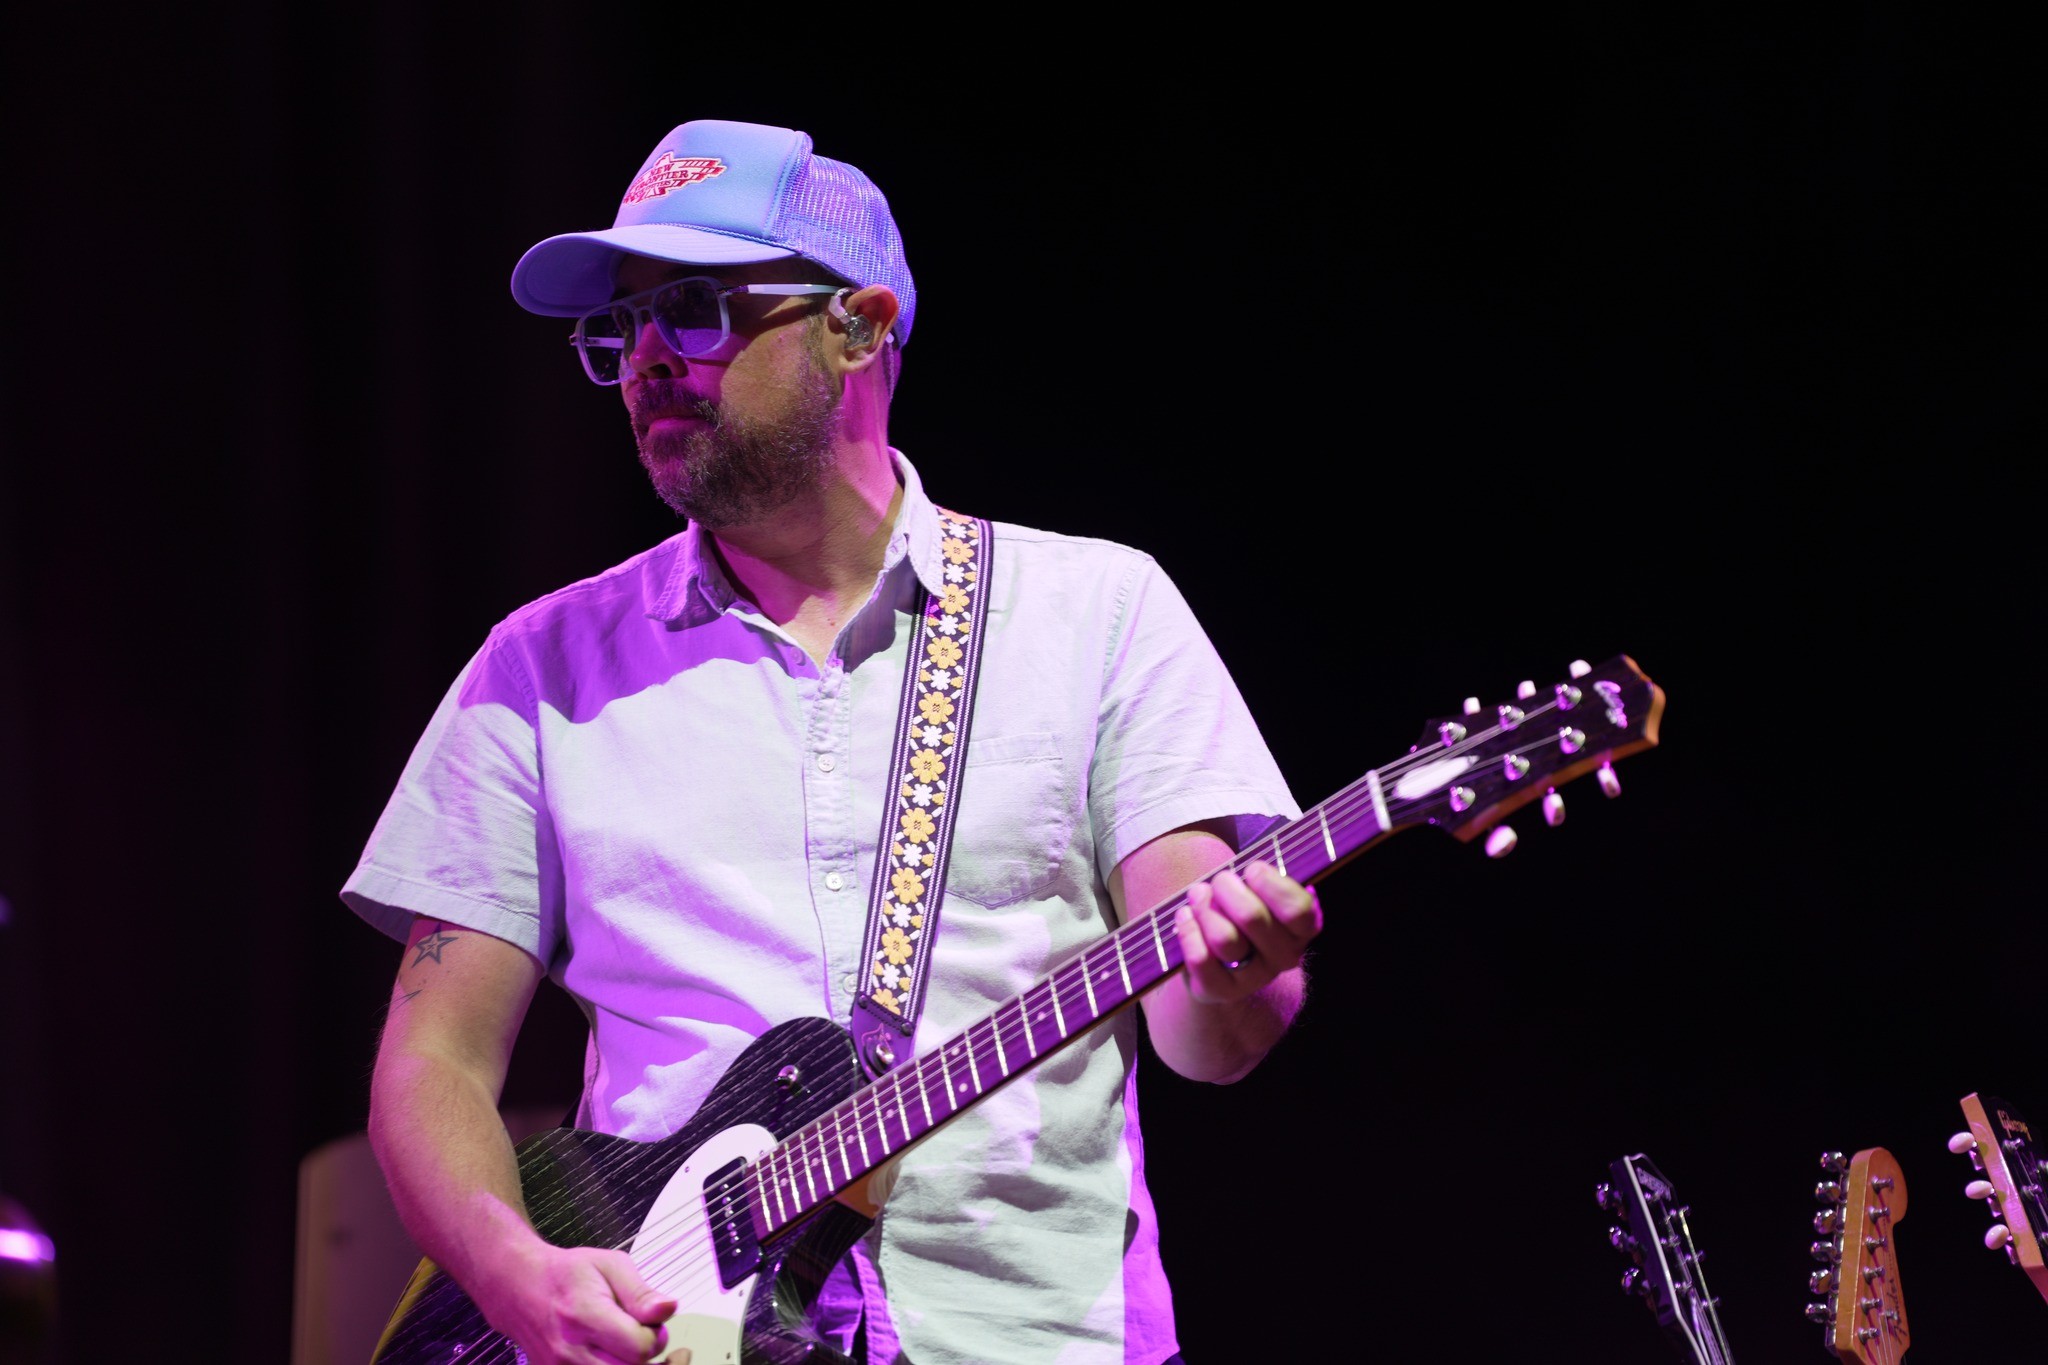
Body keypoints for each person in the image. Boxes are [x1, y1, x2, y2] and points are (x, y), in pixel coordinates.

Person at [343, 118, 1323, 1365]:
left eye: (691, 311)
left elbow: (1207, 1033)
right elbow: (431, 1058)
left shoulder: (1098, 612)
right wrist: (513, 1276)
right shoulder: (539, 666)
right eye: (619, 328)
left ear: (855, 326)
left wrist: (1240, 973)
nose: (644, 358)